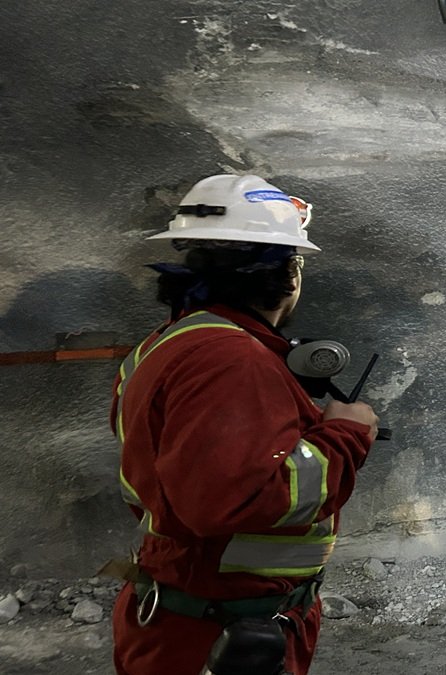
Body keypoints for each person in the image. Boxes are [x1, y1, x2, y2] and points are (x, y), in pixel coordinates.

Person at [108, 174, 379, 674]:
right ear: (289, 274)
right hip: (217, 631)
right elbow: (233, 499)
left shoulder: (168, 342)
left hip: (188, 611)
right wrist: (345, 433)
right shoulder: (233, 360)